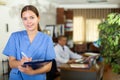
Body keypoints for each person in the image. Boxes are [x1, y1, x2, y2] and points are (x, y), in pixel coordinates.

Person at [3, 5, 55, 80]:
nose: (28, 22)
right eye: (25, 19)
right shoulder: (14, 37)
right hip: (17, 77)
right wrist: (21, 62)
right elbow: (11, 63)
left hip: (37, 77)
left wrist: (32, 72)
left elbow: (48, 67)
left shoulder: (47, 39)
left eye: (32, 17)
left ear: (38, 18)